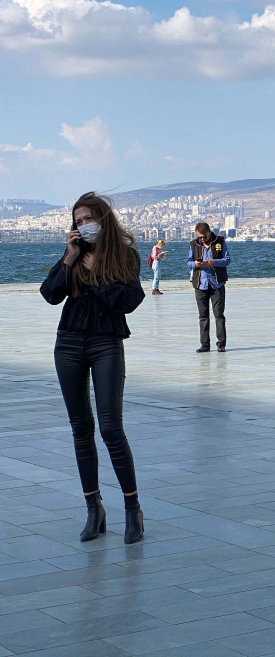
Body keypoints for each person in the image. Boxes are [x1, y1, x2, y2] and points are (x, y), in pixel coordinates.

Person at [40, 192, 145, 545]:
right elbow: (50, 294)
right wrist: (69, 259)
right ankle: (93, 508)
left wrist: (95, 273)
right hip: (68, 343)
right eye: (79, 221)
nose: (84, 225)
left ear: (103, 219)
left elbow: (129, 301)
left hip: (105, 343)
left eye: (89, 218)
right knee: (81, 427)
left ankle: (133, 510)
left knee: (111, 427)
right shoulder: (74, 255)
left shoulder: (124, 256)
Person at [188, 222, 231, 353]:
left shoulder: (220, 241)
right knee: (203, 316)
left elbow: (227, 259)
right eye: (199, 237)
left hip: (216, 283)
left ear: (209, 232)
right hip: (200, 284)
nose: (202, 239)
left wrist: (214, 262)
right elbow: (188, 262)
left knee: (219, 315)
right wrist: (195, 264)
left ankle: (221, 344)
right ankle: (204, 344)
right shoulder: (193, 244)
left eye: (204, 237)